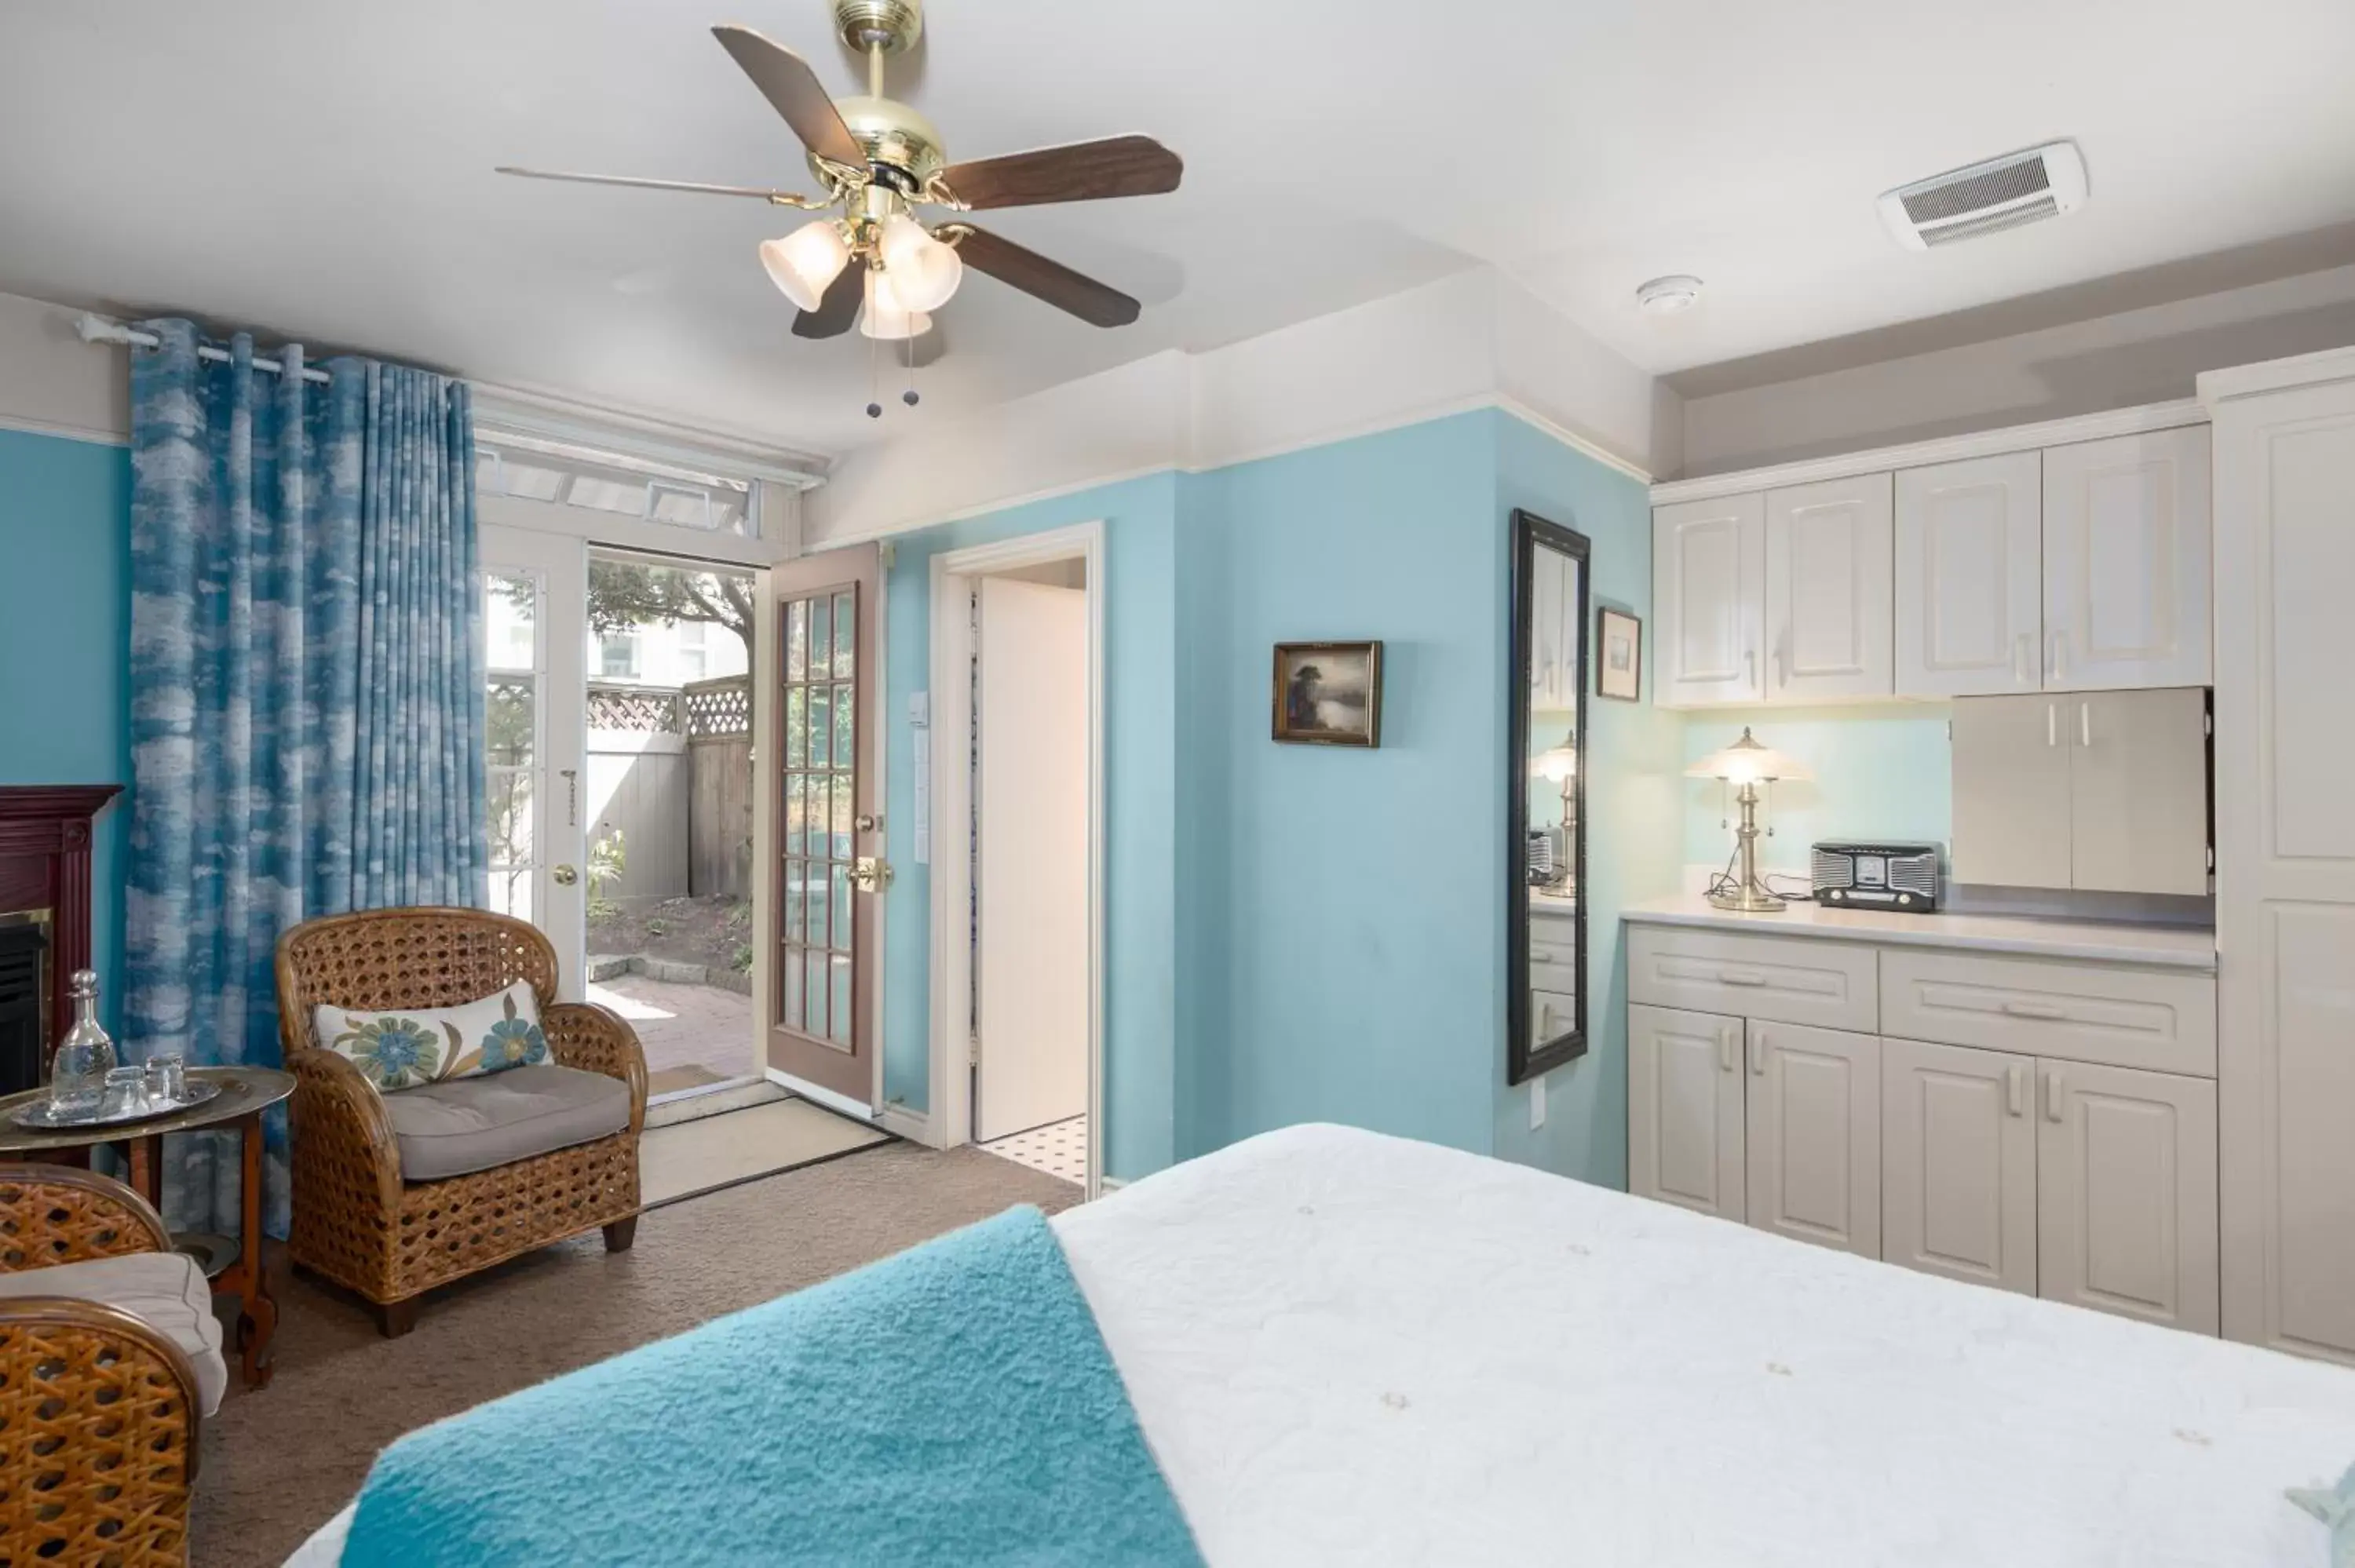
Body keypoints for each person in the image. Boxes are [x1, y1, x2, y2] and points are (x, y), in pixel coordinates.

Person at [1285, 662, 1324, 732]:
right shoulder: (1297, 685)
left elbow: (1316, 698)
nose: (1310, 679)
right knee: (1301, 726)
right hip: (1301, 710)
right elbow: (1292, 698)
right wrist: (1292, 712)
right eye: (1308, 677)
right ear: (1303, 676)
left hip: (1312, 710)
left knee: (1311, 726)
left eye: (1312, 677)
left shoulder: (1315, 685)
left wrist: (1315, 704)